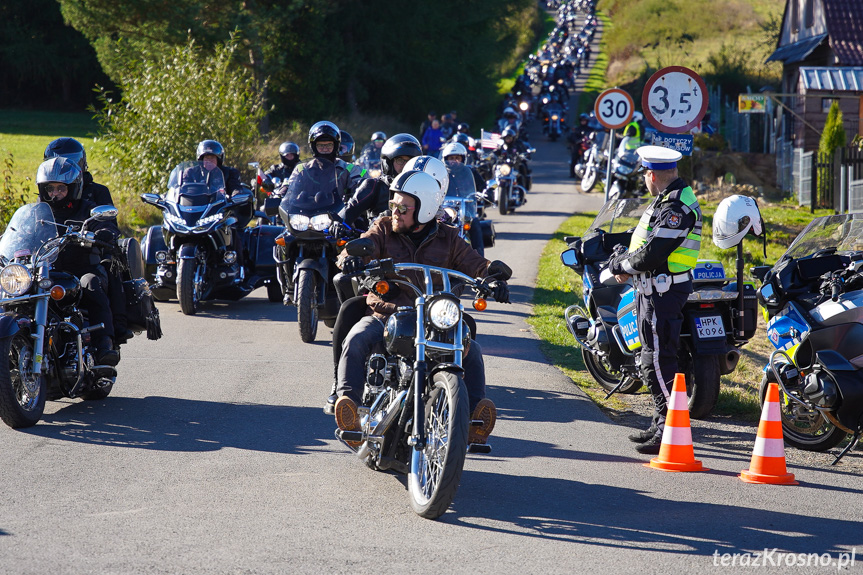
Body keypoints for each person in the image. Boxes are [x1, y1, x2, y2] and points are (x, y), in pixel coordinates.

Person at [332, 169, 512, 445]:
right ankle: (349, 409)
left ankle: (475, 421)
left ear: (426, 210)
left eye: (403, 207)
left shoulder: (449, 238)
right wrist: (350, 258)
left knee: (471, 349)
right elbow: (362, 244)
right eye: (393, 205)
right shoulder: (383, 228)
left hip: (433, 318)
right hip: (386, 312)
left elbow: (475, 263)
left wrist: (493, 276)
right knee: (356, 338)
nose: (395, 212)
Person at [606, 146, 702, 455]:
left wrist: (622, 267)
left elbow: (655, 252)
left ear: (651, 175)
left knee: (658, 361)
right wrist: (622, 255)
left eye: (645, 175)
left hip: (664, 291)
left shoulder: (678, 206)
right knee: (652, 357)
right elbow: (646, 242)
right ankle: (660, 422)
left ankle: (669, 428)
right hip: (653, 289)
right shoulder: (667, 200)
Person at [43, 138, 132, 344]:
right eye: (57, 161)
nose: (64, 166)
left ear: (81, 163)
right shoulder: (50, 195)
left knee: (111, 264)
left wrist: (103, 233)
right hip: (54, 256)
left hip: (91, 250)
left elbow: (109, 224)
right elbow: (34, 223)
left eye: (70, 161)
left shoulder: (96, 192)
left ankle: (116, 326)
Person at [36, 157, 121, 366]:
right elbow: (20, 231)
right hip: (47, 272)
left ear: (73, 188)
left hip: (83, 269)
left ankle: (104, 345)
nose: (54, 194)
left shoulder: (86, 208)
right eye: (50, 189)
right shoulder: (38, 212)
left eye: (60, 189)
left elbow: (107, 224)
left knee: (91, 284)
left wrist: (103, 232)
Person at [277, 121, 356, 304]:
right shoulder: (301, 168)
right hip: (305, 216)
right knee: (282, 241)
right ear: (314, 146)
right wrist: (280, 193)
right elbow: (288, 185)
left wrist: (359, 189)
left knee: (353, 241)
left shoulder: (347, 168)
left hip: (334, 217)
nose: (325, 148)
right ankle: (289, 286)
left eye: (329, 145)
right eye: (321, 145)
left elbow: (362, 180)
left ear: (335, 145)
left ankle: (353, 289)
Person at [567, 113, 590, 178]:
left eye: (584, 120)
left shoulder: (590, 129)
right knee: (574, 157)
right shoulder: (577, 129)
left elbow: (594, 137)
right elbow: (572, 137)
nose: (583, 122)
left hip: (588, 146)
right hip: (579, 146)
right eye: (582, 120)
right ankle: (572, 174)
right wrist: (577, 141)